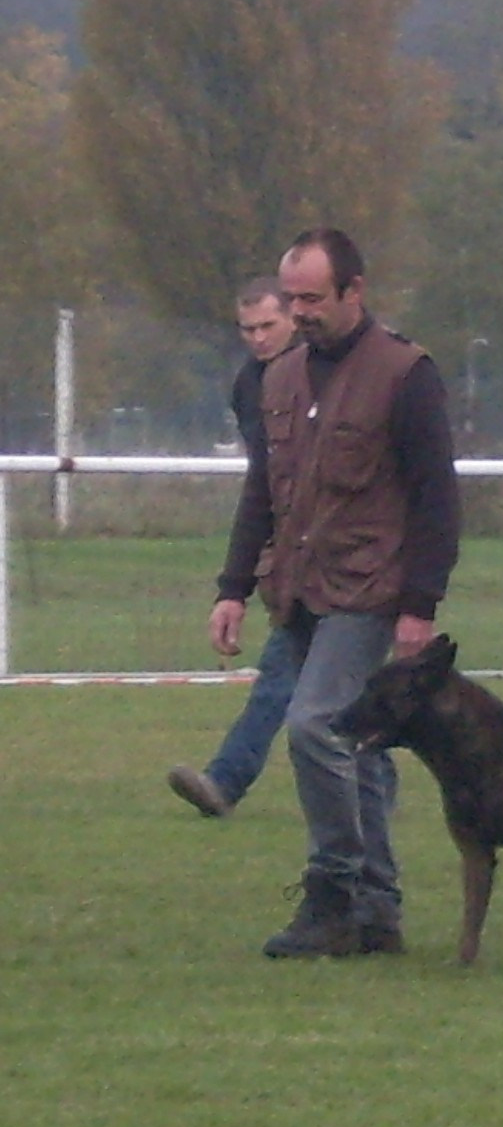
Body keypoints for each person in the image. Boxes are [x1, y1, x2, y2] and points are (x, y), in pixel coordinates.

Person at [204, 228, 462, 958]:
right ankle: (379, 916)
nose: (299, 311)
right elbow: (263, 490)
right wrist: (232, 588)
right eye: (291, 298)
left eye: (312, 297)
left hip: (370, 590)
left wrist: (421, 605)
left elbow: (437, 499)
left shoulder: (406, 374)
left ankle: (334, 891)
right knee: (366, 751)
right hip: (298, 589)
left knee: (318, 724)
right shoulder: (277, 379)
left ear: (355, 292)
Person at [166, 279, 303, 818]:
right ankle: (374, 795)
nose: (259, 338)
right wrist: (238, 583)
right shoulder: (249, 384)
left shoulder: (327, 372)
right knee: (337, 692)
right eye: (248, 329)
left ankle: (224, 783)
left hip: (345, 556)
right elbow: (264, 484)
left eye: (268, 325)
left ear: (292, 317)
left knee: (286, 676)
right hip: (296, 554)